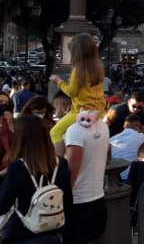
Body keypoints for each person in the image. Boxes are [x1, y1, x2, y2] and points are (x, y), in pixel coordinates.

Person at [0, 116, 73, 244]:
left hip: (23, 233)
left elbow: (3, 205)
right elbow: (67, 200)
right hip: (55, 232)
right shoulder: (61, 164)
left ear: (19, 138)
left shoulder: (17, 167)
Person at [49, 33, 106, 156]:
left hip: (81, 111)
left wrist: (58, 82)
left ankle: (59, 163)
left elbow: (71, 92)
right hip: (98, 110)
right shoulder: (99, 67)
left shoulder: (78, 69)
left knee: (55, 132)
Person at [64, 109, 110, 244]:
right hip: (97, 199)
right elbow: (108, 159)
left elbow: (72, 172)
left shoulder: (75, 130)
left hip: (78, 201)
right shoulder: (103, 125)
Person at [110, 114, 144, 180]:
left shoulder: (112, 139)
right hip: (131, 178)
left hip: (114, 178)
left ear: (124, 126)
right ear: (138, 126)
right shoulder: (141, 137)